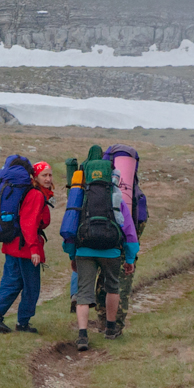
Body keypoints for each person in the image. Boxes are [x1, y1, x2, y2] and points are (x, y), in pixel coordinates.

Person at [61, 156, 139, 351]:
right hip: (111, 250)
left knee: (84, 292)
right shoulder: (115, 195)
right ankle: (111, 329)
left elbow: (70, 227)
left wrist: (72, 255)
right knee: (112, 287)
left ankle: (82, 335)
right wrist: (130, 258)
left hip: (84, 250)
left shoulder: (80, 195)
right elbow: (129, 230)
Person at [0, 161, 53, 333]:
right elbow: (28, 223)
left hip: (13, 245)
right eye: (44, 175)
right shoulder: (36, 195)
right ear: (35, 177)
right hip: (25, 248)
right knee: (31, 286)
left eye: (50, 175)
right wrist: (34, 250)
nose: (48, 178)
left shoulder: (30, 192)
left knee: (11, 282)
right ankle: (23, 323)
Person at [96, 145, 147, 335]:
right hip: (128, 233)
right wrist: (131, 256)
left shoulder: (100, 187)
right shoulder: (136, 195)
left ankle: (103, 321)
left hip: (103, 236)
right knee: (122, 281)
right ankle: (115, 325)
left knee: (104, 277)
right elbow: (139, 221)